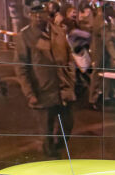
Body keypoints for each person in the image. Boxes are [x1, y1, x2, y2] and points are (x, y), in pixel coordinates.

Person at [14, 0, 77, 158]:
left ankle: (58, 148)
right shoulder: (25, 36)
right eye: (33, 14)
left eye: (40, 13)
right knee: (46, 131)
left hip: (63, 89)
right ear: (29, 15)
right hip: (43, 91)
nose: (37, 17)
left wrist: (71, 80)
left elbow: (69, 58)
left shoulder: (59, 31)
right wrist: (30, 93)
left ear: (46, 13)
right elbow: (21, 68)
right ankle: (51, 161)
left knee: (68, 125)